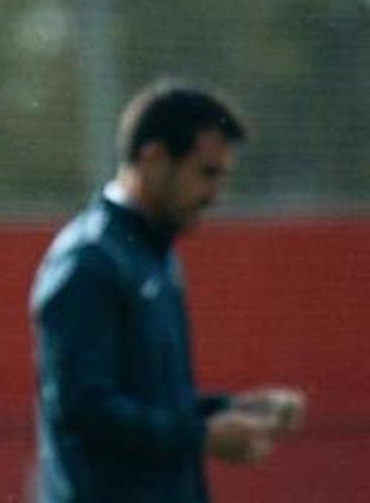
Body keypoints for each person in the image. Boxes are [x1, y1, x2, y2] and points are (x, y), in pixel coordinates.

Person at [29, 81, 306, 503]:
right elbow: (84, 409)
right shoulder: (88, 260)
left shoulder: (155, 254)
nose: (216, 195)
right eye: (206, 173)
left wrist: (232, 410)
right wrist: (202, 435)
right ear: (154, 159)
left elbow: (150, 399)